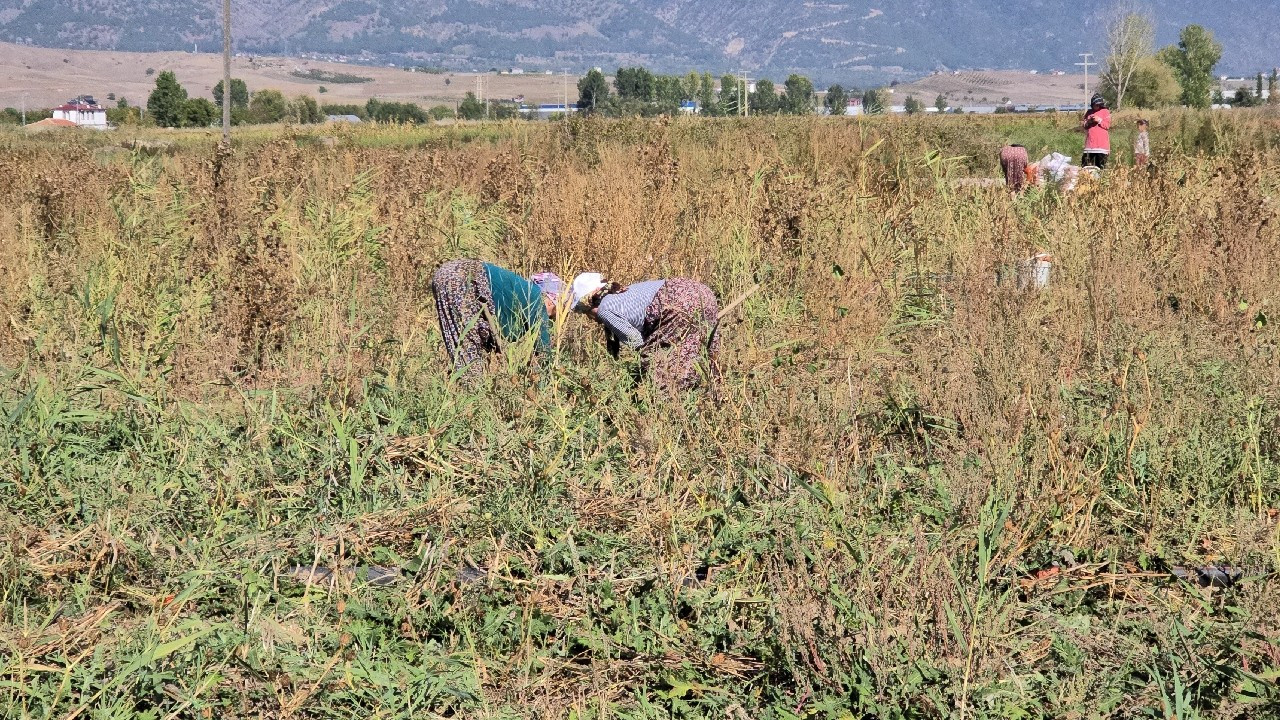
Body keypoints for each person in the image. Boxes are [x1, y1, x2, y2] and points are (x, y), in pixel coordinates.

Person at [569, 272, 721, 393]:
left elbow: (636, 342)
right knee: (704, 356)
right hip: (702, 293)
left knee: (664, 374)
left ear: (590, 301)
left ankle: (671, 416)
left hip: (678, 303)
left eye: (585, 312)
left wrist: (637, 376)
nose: (590, 318)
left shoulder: (605, 309)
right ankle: (715, 401)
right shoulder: (625, 293)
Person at [430, 260, 557, 383]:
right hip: (461, 277)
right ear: (551, 301)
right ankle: (472, 394)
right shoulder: (536, 297)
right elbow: (543, 349)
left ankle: (468, 390)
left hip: (448, 274)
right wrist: (545, 385)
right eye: (559, 311)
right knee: (467, 349)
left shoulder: (520, 290)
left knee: (461, 343)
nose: (554, 319)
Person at [1081, 94, 1111, 169]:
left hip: (1101, 146)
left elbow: (1107, 126)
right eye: (1095, 105)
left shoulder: (1105, 112)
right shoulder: (1089, 112)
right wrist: (1089, 121)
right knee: (1085, 166)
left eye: (1098, 105)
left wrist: (1099, 120)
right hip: (1090, 146)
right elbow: (1084, 125)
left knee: (1100, 167)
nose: (1096, 107)